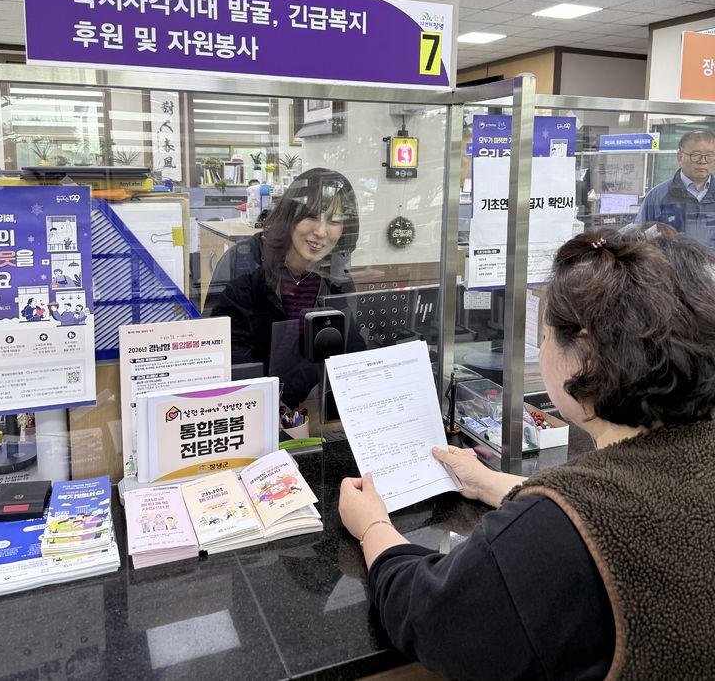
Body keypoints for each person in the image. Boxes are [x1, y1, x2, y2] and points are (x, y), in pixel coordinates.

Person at [339, 226, 715, 679]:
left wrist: (373, 526)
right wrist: (490, 481)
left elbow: (432, 614)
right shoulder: (688, 456)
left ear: (586, 353)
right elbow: (625, 507)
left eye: (546, 334)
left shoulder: (547, 534)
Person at [205, 167, 364, 409]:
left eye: (334, 220)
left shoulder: (335, 277)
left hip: (302, 411)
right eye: (311, 216)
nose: (321, 232)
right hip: (243, 407)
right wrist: (267, 401)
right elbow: (221, 351)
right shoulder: (246, 263)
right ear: (290, 215)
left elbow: (349, 352)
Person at [635, 128, 715, 247]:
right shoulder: (658, 196)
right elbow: (639, 238)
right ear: (680, 157)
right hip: (671, 265)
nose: (703, 161)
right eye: (696, 155)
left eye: (709, 155)